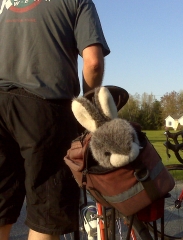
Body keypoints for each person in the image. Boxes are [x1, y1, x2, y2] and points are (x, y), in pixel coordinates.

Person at [0, 0, 110, 240]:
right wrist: (89, 109)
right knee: (47, 213)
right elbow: (93, 62)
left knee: (1, 204)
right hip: (45, 107)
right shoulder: (77, 1)